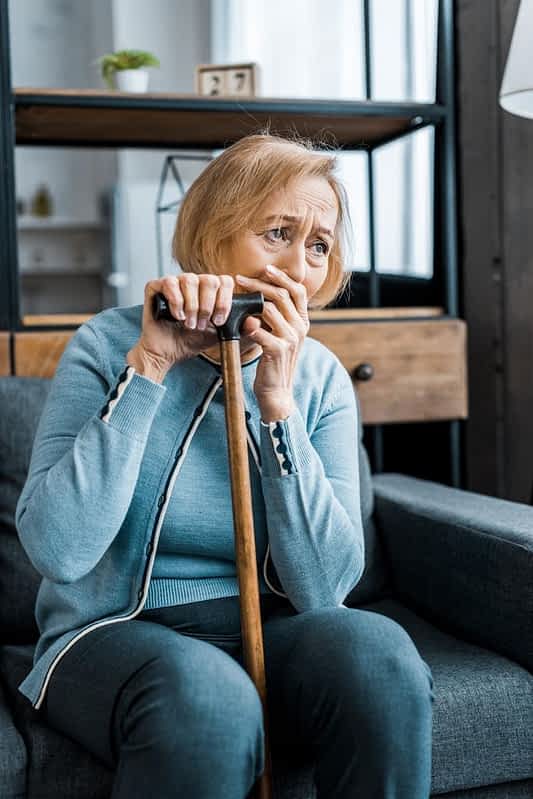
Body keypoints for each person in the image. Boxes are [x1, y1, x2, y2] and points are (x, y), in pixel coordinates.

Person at [16, 132, 434, 798]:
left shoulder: (318, 379)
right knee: (207, 697)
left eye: (318, 244)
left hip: (273, 630)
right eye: (278, 232)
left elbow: (325, 589)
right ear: (213, 232)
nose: (300, 262)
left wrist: (275, 404)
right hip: (110, 636)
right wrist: (149, 366)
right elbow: (59, 550)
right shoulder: (107, 344)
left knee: (378, 654)